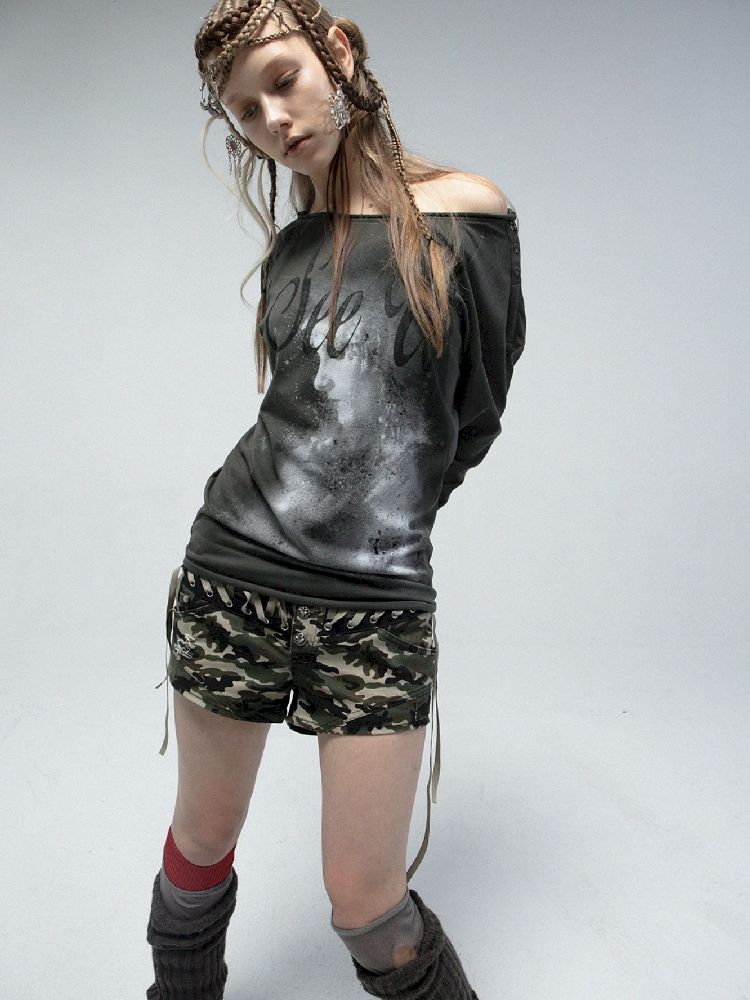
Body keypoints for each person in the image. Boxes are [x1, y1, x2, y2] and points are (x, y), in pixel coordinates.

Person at [145, 1, 527, 997]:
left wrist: (379, 517)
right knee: (200, 843)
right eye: (246, 110)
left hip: (376, 606)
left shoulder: (466, 215)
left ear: (338, 55)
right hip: (231, 577)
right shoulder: (292, 251)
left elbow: (472, 417)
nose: (273, 118)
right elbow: (297, 414)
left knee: (366, 901)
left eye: (283, 80)